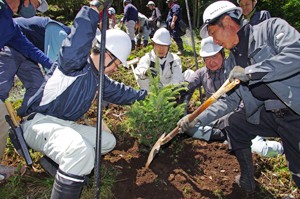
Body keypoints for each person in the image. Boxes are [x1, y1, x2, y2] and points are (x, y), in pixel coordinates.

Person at [19, 3, 147, 198]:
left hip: (64, 126)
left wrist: (147, 97)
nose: (116, 69)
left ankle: (57, 164)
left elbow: (123, 93)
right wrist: (93, 11)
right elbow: (77, 41)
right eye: (117, 64)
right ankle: (71, 168)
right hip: (38, 122)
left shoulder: (98, 79)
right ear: (106, 55)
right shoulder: (73, 66)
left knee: (107, 141)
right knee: (81, 151)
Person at [177, 0, 300, 194]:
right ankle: (247, 181)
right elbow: (229, 100)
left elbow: (297, 53)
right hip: (267, 113)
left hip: (294, 111)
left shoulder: (270, 29)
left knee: (298, 172)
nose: (214, 41)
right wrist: (195, 119)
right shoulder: (232, 60)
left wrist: (251, 72)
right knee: (234, 124)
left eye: (212, 33)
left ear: (226, 21)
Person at [183, 36, 283, 157]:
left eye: (214, 56)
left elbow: (241, 104)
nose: (211, 62)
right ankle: (225, 136)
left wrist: (229, 122)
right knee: (189, 128)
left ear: (222, 54)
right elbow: (186, 89)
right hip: (213, 118)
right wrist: (183, 111)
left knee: (261, 150)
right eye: (207, 58)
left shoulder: (234, 71)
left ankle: (283, 146)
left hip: (238, 120)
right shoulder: (201, 73)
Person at [0, 0, 50, 184]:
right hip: (9, 55)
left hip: (19, 50)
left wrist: (54, 67)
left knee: (2, 114)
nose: (34, 10)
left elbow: (31, 49)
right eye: (36, 4)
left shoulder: (9, 22)